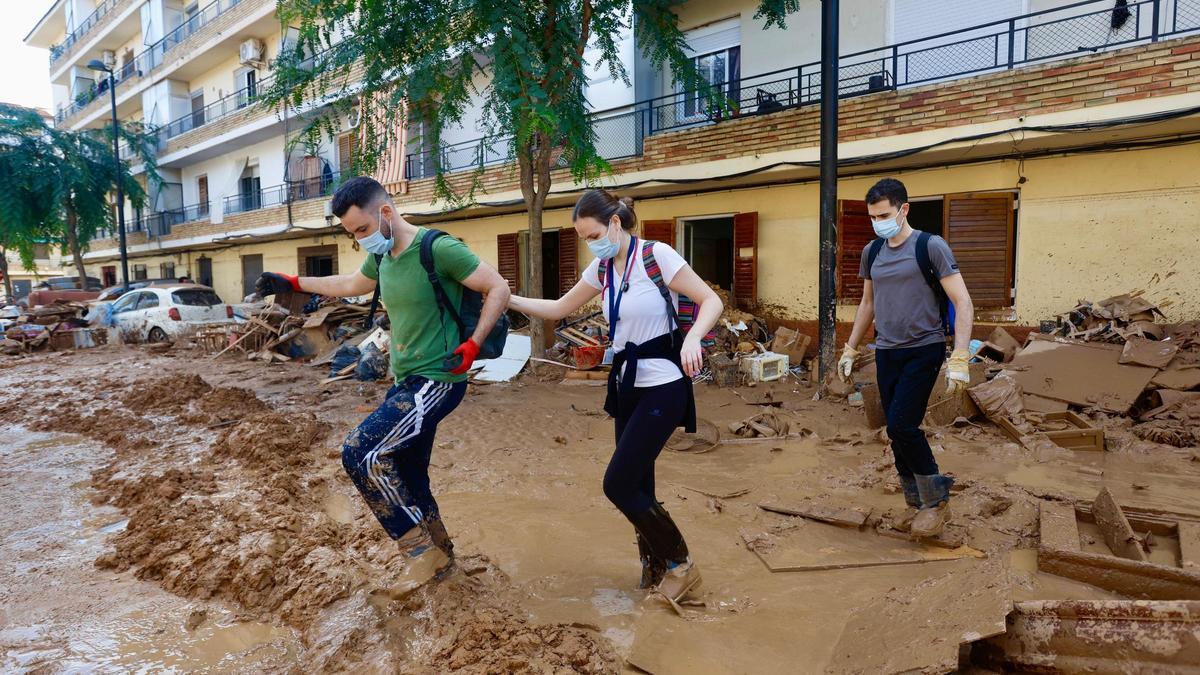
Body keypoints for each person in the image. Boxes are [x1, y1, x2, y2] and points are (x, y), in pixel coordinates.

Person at [254, 176, 510, 594]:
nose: (360, 240)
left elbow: (497, 286)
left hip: (439, 379)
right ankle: (443, 559)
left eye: (362, 230)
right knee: (409, 474)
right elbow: (351, 285)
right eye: (352, 234)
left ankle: (419, 553)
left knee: (361, 451)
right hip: (406, 381)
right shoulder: (384, 256)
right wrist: (295, 283)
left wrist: (473, 344)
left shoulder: (438, 248)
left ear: (386, 212)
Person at [508, 189, 722, 604]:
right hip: (628, 388)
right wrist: (505, 296)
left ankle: (682, 567)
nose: (591, 244)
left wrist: (694, 337)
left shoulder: (657, 256)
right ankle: (655, 567)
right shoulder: (603, 269)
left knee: (617, 484)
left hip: (664, 383)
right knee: (640, 481)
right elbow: (557, 308)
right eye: (584, 239)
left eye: (593, 235)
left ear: (616, 224)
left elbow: (710, 299)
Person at [839, 178, 975, 538]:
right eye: (872, 217)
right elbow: (868, 303)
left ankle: (937, 503)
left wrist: (960, 357)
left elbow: (962, 301)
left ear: (904, 210)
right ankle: (914, 503)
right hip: (886, 350)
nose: (878, 222)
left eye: (883, 214)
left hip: (924, 348)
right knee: (895, 431)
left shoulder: (930, 247)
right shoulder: (873, 251)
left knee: (903, 425)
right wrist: (850, 348)